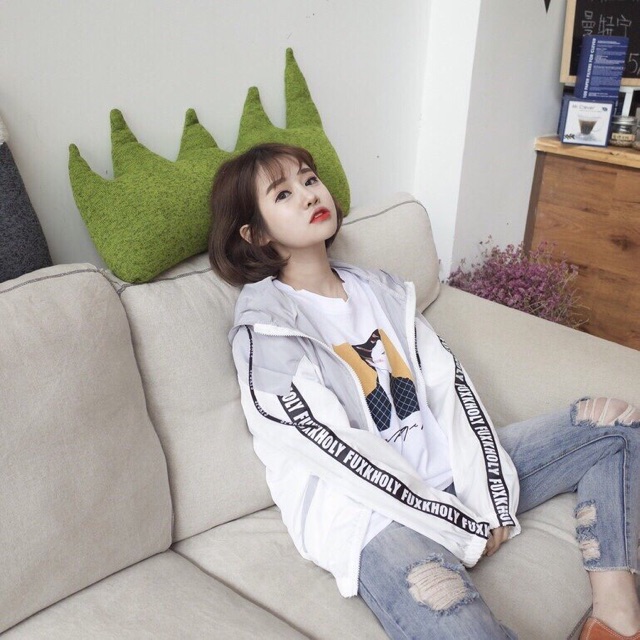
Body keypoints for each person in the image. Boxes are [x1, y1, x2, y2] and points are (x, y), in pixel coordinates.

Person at [208, 142, 640, 640]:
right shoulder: (266, 330)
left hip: (450, 468)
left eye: (309, 180)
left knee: (617, 425)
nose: (308, 195)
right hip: (371, 516)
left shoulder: (383, 291)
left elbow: (451, 391)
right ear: (256, 234)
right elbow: (337, 452)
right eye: (283, 194)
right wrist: (458, 521)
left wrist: (487, 494)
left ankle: (615, 617)